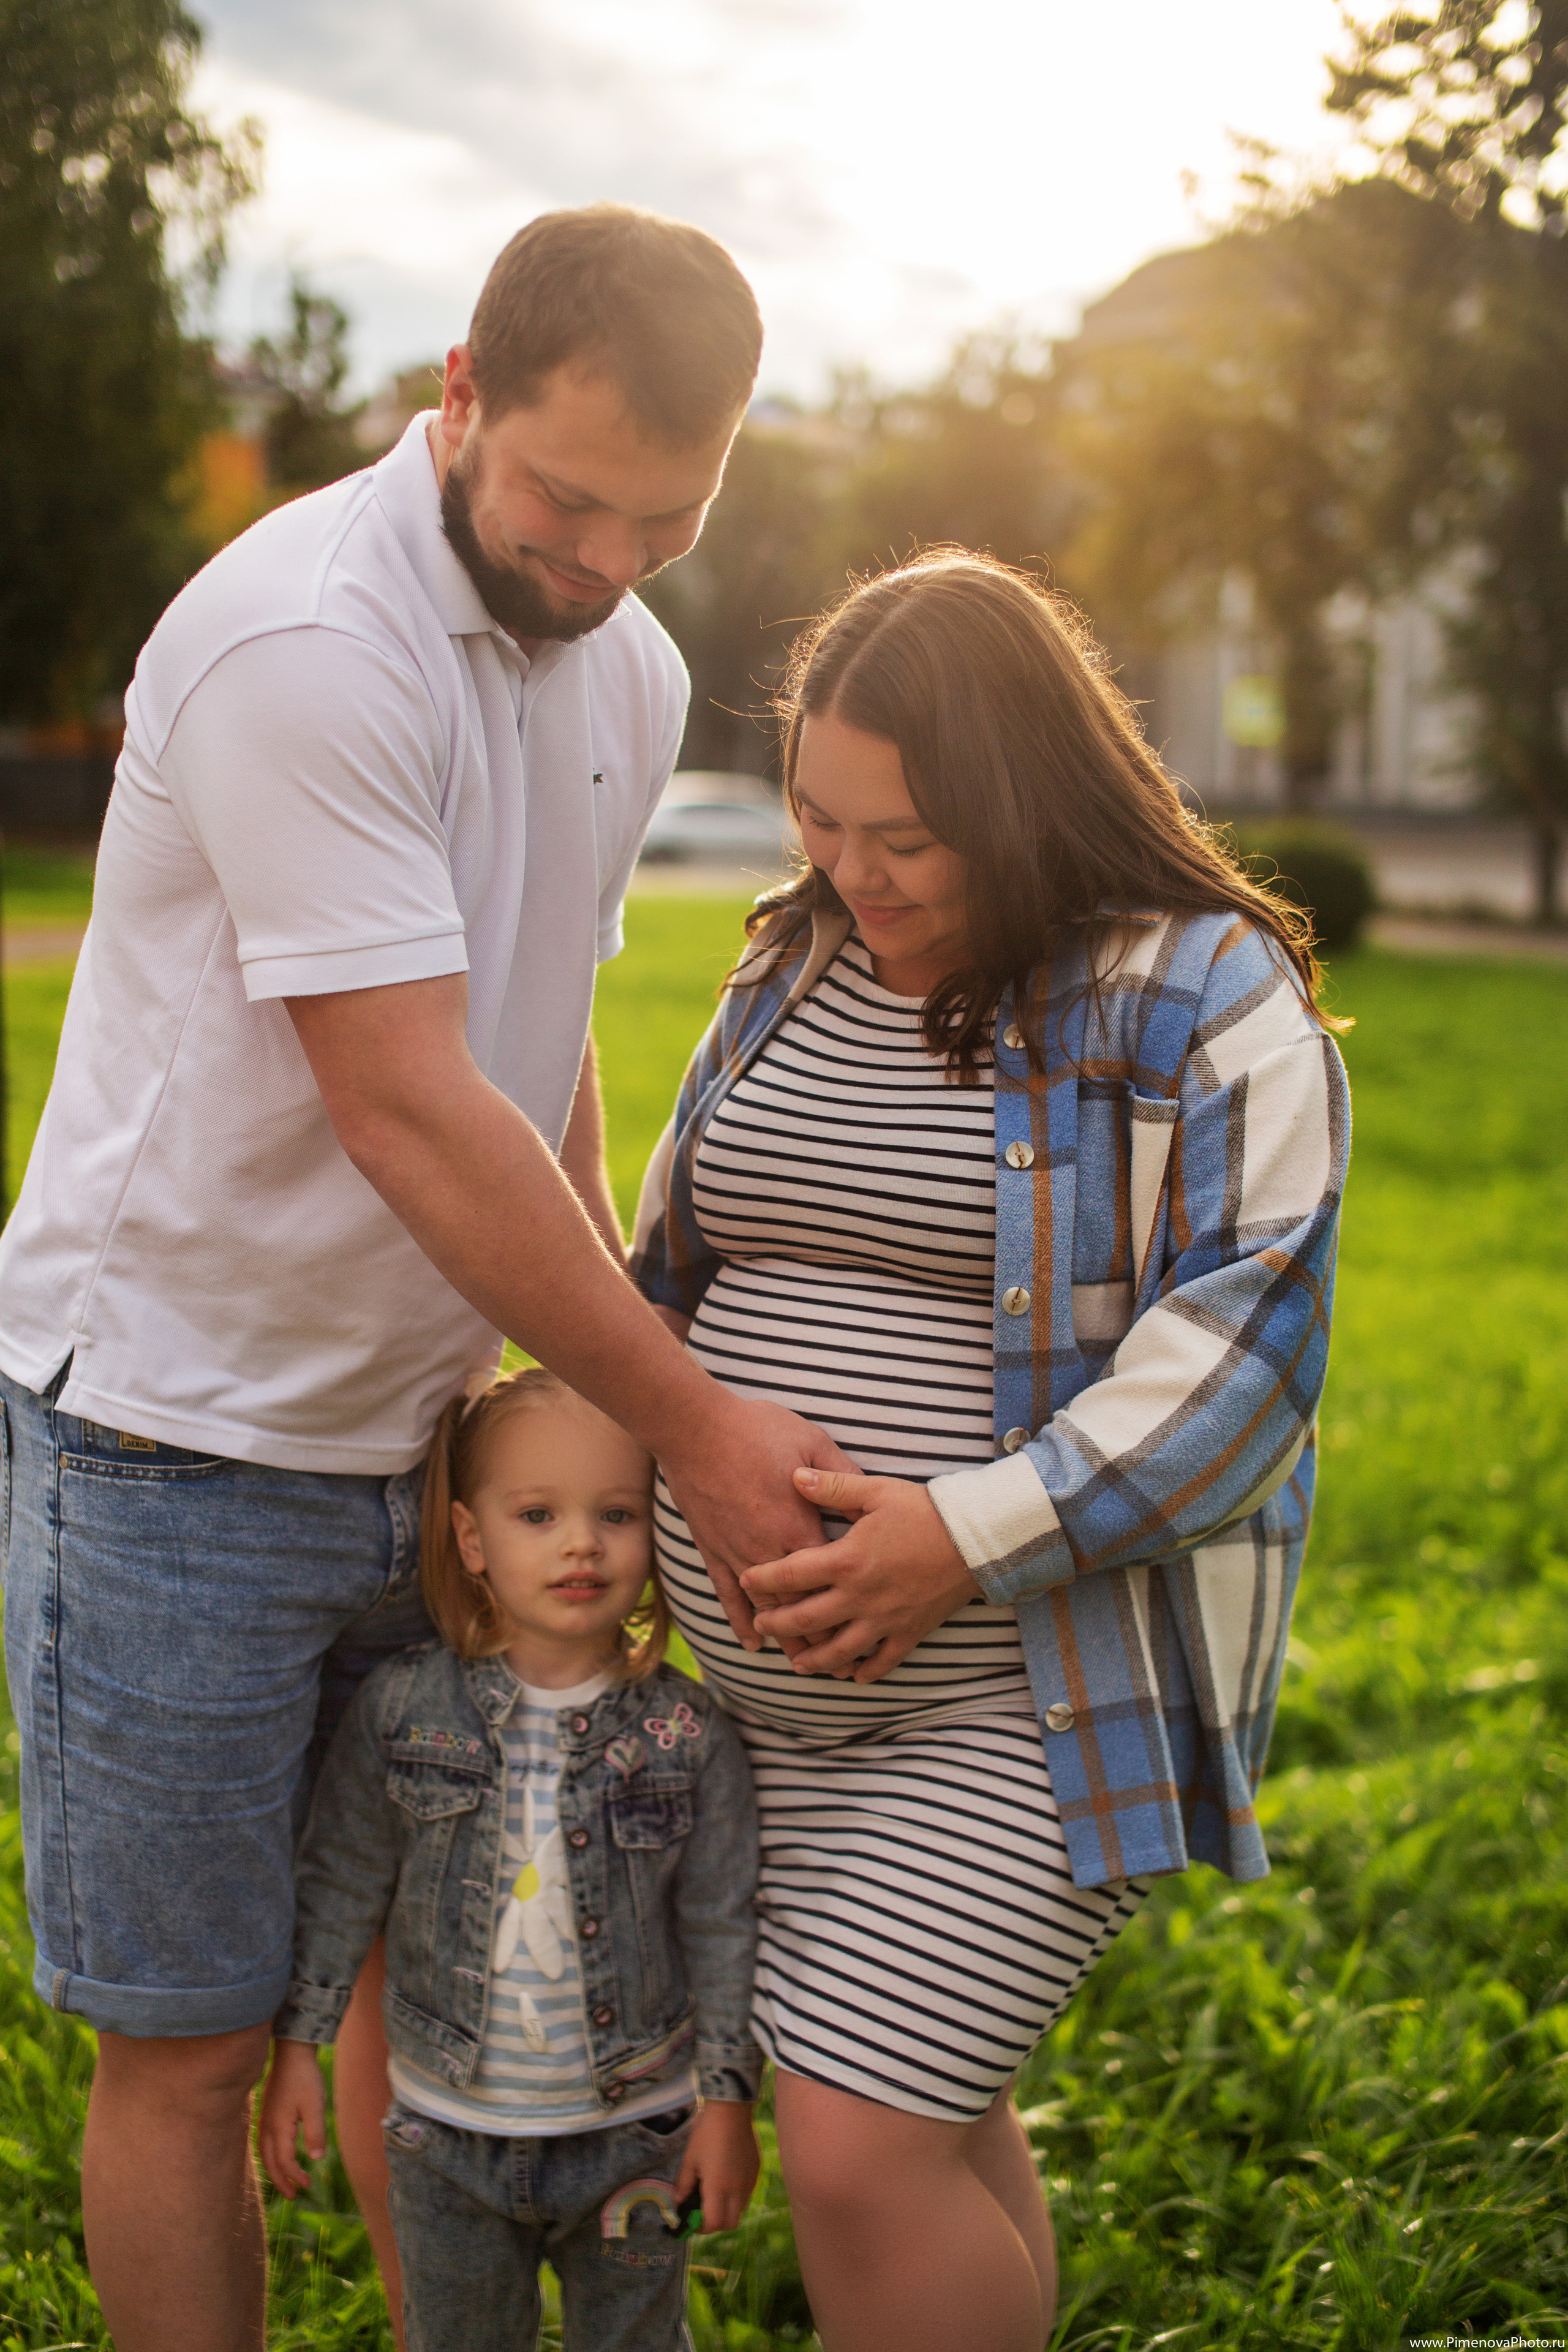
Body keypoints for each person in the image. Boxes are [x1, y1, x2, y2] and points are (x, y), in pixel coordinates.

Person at [0, 203, 849, 2352]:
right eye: (566, 498)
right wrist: (695, 1429)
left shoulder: (634, 665)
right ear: (458, 390)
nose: (598, 563)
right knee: (195, 2055)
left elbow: (536, 1040)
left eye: (667, 519)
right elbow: (403, 1104)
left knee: (427, 1981)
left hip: (421, 1446)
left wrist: (549, 1424)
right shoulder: (302, 641)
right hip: (173, 1444)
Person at [631, 550, 1352, 2352]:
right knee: (916, 2113)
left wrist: (951, 1536)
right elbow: (675, 1256)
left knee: (861, 2151)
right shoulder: (799, 952)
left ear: (1024, 797)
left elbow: (1244, 1356)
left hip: (1018, 1698)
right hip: (755, 1723)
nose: (852, 874)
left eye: (907, 840)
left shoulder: (1201, 992)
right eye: (821, 819)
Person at [259, 1366, 761, 2352]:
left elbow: (723, 1922)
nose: (581, 1542)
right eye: (537, 1514)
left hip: (637, 2136)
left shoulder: (687, 1732)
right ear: (469, 1538)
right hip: (446, 2139)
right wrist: (296, 2052)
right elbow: (338, 1888)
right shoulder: (403, 1713)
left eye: (616, 1513)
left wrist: (729, 2102)